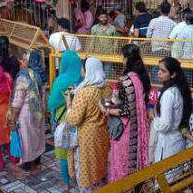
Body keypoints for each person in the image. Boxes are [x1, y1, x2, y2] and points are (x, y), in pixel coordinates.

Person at [105, 44, 151, 182]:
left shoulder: (125, 81)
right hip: (139, 127)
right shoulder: (142, 77)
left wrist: (108, 110)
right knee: (135, 163)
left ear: (126, 59)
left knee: (122, 162)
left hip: (126, 129)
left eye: (122, 56)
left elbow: (125, 111)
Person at [66, 57, 111, 192]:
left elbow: (74, 119)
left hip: (87, 137)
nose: (81, 70)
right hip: (102, 133)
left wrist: (69, 103)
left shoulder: (84, 92)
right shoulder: (106, 88)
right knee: (99, 165)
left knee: (86, 169)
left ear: (88, 70)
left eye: (82, 67)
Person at [48, 51, 82, 190]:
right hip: (78, 117)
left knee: (63, 149)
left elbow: (52, 102)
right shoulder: (82, 79)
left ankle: (66, 182)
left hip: (63, 118)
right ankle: (78, 177)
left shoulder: (61, 80)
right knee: (76, 149)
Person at [8, 51, 46, 173]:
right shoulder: (39, 75)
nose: (21, 62)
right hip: (38, 111)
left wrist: (13, 118)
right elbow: (43, 95)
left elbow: (17, 101)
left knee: (27, 139)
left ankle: (29, 166)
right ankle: (36, 162)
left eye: (24, 60)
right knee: (37, 137)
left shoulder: (23, 77)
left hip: (26, 114)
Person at [152, 57, 192, 163]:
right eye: (159, 69)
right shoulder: (178, 89)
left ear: (173, 74)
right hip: (176, 141)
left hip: (168, 143)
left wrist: (154, 118)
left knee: (167, 177)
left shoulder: (169, 94)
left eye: (163, 71)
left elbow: (165, 125)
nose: (158, 73)